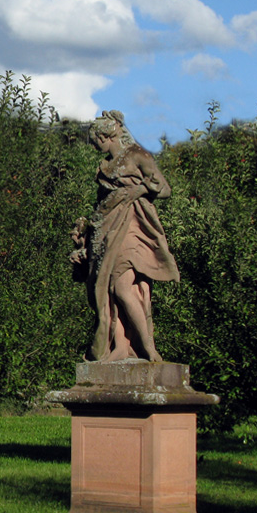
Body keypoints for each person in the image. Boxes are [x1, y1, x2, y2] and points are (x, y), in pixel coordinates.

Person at [72, 111, 179, 362]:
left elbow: (164, 189)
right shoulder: (105, 165)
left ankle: (147, 347)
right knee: (108, 289)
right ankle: (120, 347)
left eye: (95, 139)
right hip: (107, 228)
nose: (94, 145)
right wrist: (85, 233)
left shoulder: (137, 155)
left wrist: (140, 190)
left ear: (106, 135)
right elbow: (101, 203)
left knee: (121, 287)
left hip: (132, 224)